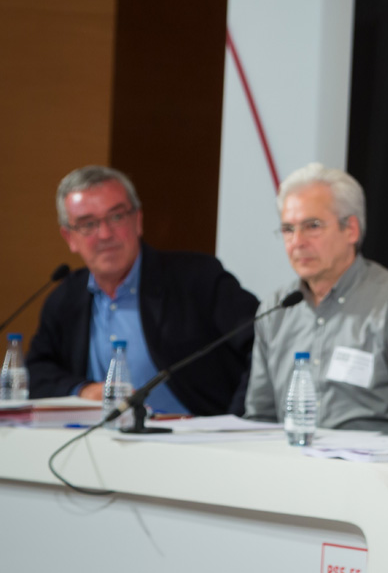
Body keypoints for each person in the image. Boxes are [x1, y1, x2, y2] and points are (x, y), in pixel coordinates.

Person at [27, 166, 260, 415]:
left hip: (194, 434)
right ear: (69, 238)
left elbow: (263, 343)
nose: (105, 234)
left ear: (138, 221)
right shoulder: (65, 298)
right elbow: (36, 372)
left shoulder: (198, 279)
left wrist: (238, 418)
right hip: (99, 435)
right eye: (88, 224)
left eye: (117, 217)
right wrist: (82, 390)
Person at [243, 162, 388, 433]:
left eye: (312, 226)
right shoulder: (276, 308)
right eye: (288, 229)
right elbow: (260, 418)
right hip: (288, 456)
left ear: (351, 230)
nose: (297, 241)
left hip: (373, 459)